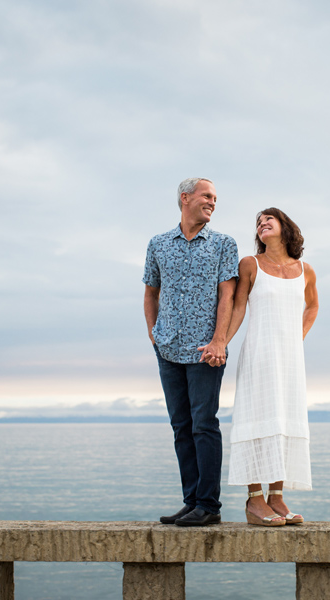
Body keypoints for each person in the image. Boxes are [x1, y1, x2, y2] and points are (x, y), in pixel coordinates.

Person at [143, 178, 238, 527]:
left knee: (203, 424)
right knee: (181, 426)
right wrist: (154, 334)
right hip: (167, 348)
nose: (213, 202)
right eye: (207, 196)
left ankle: (208, 506)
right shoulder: (158, 244)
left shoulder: (224, 244)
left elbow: (228, 296)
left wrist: (219, 341)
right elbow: (151, 292)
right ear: (185, 198)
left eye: (215, 198)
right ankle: (191, 500)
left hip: (205, 351)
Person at [225, 208, 319, 526]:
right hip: (259, 354)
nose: (262, 224)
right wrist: (220, 342)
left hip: (291, 359)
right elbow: (238, 306)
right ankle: (254, 500)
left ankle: (276, 496)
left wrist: (297, 337)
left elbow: (313, 305)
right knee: (258, 416)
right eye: (258, 223)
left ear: (285, 228)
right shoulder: (251, 265)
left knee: (284, 416)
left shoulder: (305, 269)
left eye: (269, 219)